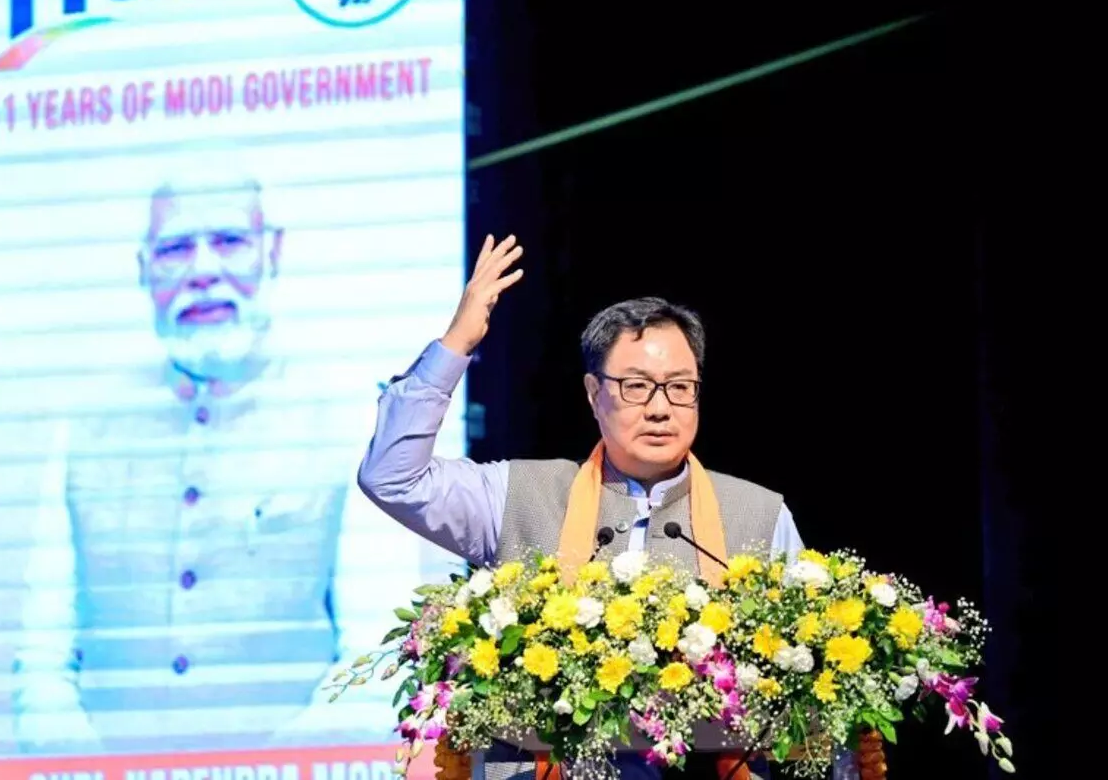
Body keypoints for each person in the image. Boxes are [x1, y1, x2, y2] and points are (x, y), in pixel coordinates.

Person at [0, 174, 454, 757]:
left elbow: (375, 655)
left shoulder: (349, 420)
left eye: (228, 241)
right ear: (144, 269)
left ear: (272, 251)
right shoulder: (85, 425)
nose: (202, 270)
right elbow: (42, 662)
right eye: (174, 248)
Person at [356, 235, 848, 780]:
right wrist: (456, 345)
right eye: (636, 386)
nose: (660, 408)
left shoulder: (760, 516)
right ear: (594, 393)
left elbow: (815, 691)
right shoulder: (519, 493)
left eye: (680, 387)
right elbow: (391, 477)